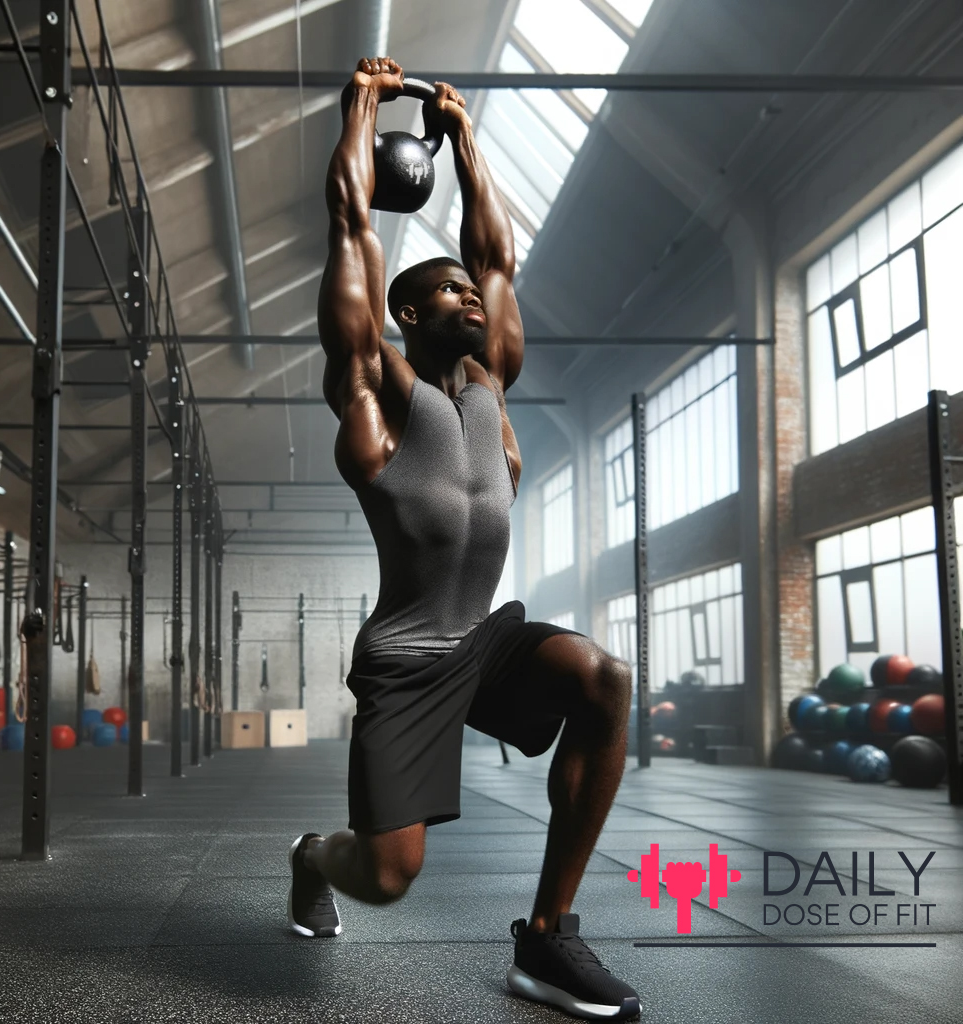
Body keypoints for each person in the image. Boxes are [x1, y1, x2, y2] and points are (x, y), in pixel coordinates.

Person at [288, 56, 641, 1021]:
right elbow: (351, 224)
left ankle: (548, 940)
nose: (470, 296)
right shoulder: (377, 399)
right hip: (405, 663)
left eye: (468, 291)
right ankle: (313, 858)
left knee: (603, 677)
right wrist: (365, 101)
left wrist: (465, 137)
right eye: (447, 290)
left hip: (479, 644)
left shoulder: (491, 394)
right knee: (388, 875)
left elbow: (500, 261)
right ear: (405, 315)